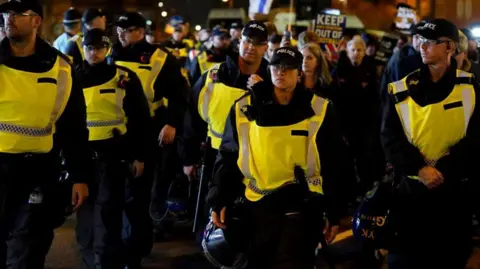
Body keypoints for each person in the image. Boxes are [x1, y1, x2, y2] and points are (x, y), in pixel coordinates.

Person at [207, 47, 343, 268]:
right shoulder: (244, 106)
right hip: (254, 207)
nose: (281, 72)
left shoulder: (321, 108)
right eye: (276, 66)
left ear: (299, 73)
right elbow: (229, 156)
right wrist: (219, 198)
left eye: (288, 68)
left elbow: (335, 163)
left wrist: (334, 212)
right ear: (269, 69)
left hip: (301, 207)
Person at [382, 19, 480, 269]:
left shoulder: (470, 87)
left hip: (453, 196)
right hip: (410, 194)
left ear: (449, 47)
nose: (422, 47)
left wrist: (445, 168)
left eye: (430, 42)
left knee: (450, 259)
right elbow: (389, 137)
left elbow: (477, 138)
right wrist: (420, 169)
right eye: (420, 41)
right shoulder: (400, 89)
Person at [0, 0, 91, 267]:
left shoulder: (60, 68)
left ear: (36, 22)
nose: (9, 19)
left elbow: (74, 127)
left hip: (39, 172)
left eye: (18, 14)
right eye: (5, 14)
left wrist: (79, 176)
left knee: (30, 247)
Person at [110, 11, 188, 267]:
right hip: (113, 130)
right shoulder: (111, 53)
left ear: (140, 32)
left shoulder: (159, 58)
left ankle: (136, 248)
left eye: (126, 29)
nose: (120, 34)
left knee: (138, 193)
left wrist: (172, 123)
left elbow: (179, 94)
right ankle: (117, 244)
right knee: (115, 193)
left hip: (146, 130)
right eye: (119, 29)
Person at [180, 21, 270, 237]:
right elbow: (193, 116)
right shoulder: (214, 76)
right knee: (212, 220)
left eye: (258, 43)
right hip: (217, 159)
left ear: (265, 47)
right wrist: (189, 158)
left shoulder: (274, 79)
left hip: (259, 163)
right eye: (248, 41)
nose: (251, 47)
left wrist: (264, 93)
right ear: (240, 42)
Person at [75, 28, 151, 269]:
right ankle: (90, 262)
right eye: (89, 48)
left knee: (109, 215)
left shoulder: (124, 78)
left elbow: (140, 119)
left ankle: (107, 264)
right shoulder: (73, 77)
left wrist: (139, 156)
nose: (93, 52)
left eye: (98, 48)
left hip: (114, 154)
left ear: (107, 49)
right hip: (83, 156)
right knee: (85, 217)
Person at [332, 37, 384, 198]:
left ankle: (365, 190)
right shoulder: (339, 69)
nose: (356, 53)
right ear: (348, 52)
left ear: (364, 51)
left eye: (359, 50)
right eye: (353, 50)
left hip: (365, 122)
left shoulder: (370, 69)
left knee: (365, 158)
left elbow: (375, 97)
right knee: (345, 159)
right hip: (345, 122)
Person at [380, 22, 424, 94]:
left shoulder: (422, 55)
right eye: (416, 37)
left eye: (422, 38)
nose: (419, 41)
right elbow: (397, 88)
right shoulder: (401, 58)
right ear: (412, 39)